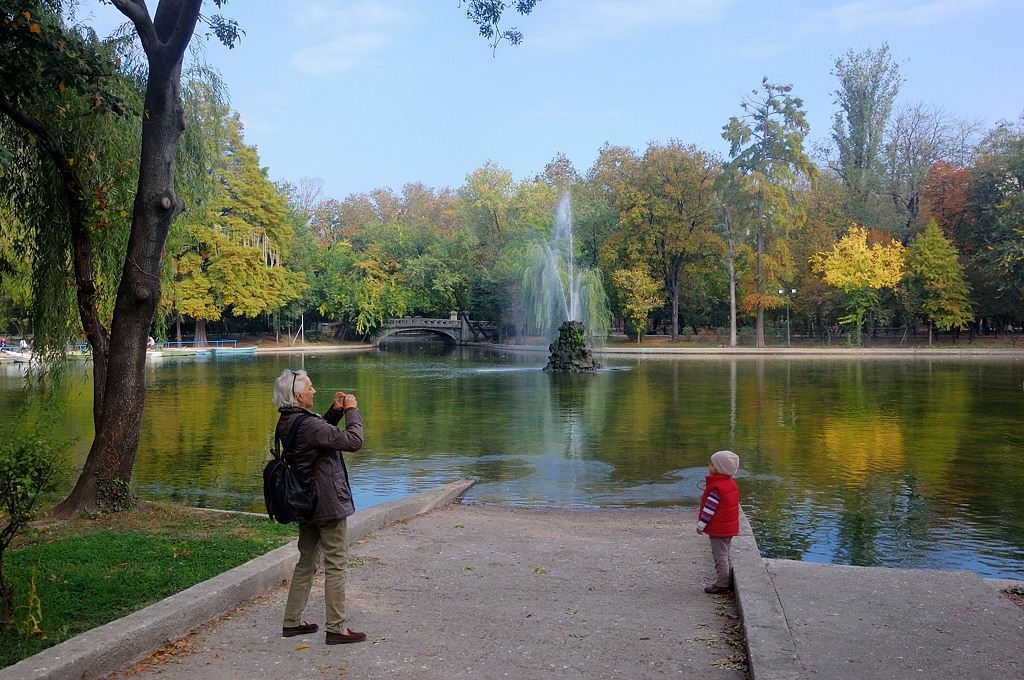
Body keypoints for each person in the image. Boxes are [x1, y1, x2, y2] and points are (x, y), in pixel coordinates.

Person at [271, 368, 367, 644]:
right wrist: (351, 412)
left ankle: (292, 621)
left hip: (306, 502)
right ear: (298, 395)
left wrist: (333, 412)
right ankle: (336, 629)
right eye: (310, 388)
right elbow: (353, 441)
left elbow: (317, 439)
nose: (314, 391)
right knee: (336, 563)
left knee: (307, 562)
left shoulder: (289, 421)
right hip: (326, 501)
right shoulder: (308, 424)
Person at [696, 450, 740, 594]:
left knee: (719, 555)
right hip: (729, 526)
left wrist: (701, 525)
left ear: (719, 469)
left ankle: (722, 584)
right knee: (726, 553)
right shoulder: (731, 483)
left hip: (719, 528)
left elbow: (709, 509)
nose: (709, 466)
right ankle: (729, 579)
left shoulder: (717, 487)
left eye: (712, 464)